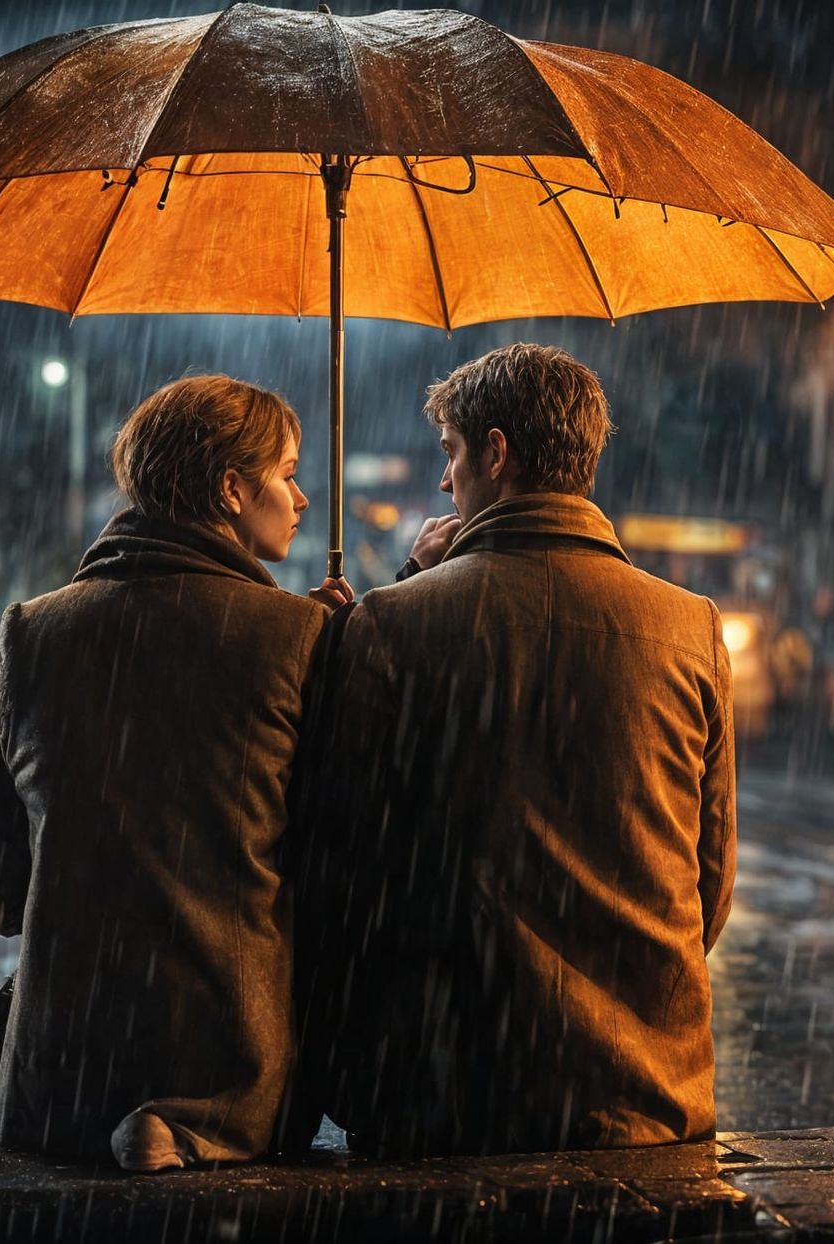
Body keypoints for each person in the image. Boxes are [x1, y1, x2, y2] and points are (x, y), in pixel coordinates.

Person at [287, 343, 735, 1157]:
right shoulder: (689, 626)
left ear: (495, 452)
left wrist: (388, 603)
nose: (443, 481)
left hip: (443, 1096)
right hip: (643, 1102)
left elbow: (337, 863)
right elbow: (709, 888)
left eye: (451, 453)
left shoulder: (391, 625)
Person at [0, 374, 350, 1171]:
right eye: (285, 472)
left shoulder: (31, 633)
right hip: (233, 1087)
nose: (303, 497)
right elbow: (336, 877)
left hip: (53, 1088)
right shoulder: (300, 639)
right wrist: (346, 648)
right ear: (228, 488)